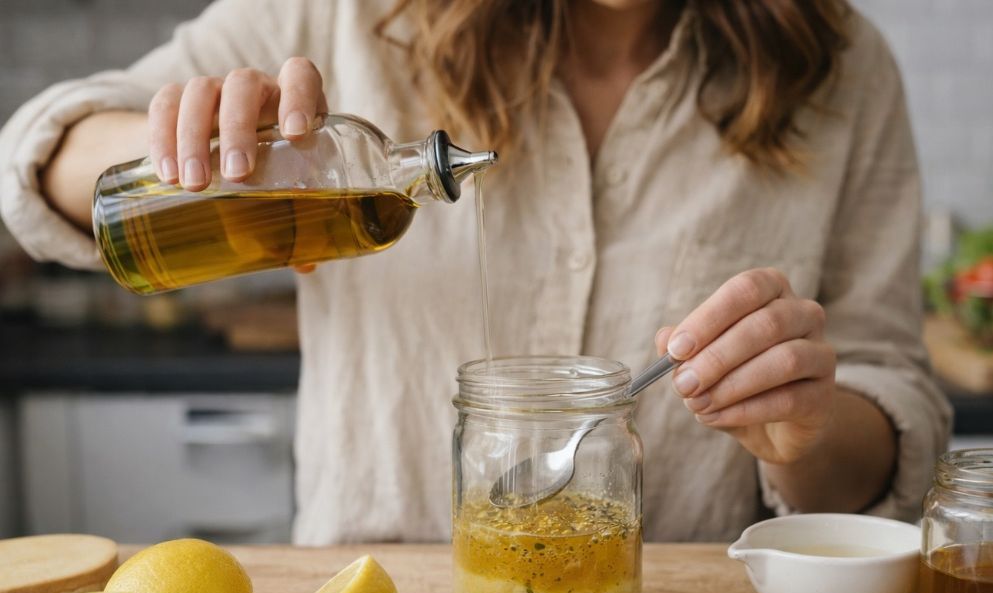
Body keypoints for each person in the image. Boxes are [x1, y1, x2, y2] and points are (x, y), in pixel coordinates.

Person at [0, 0, 950, 544]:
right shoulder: (348, 16)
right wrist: (166, 143)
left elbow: (887, 404)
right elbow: (33, 163)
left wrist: (808, 429)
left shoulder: (843, 67)